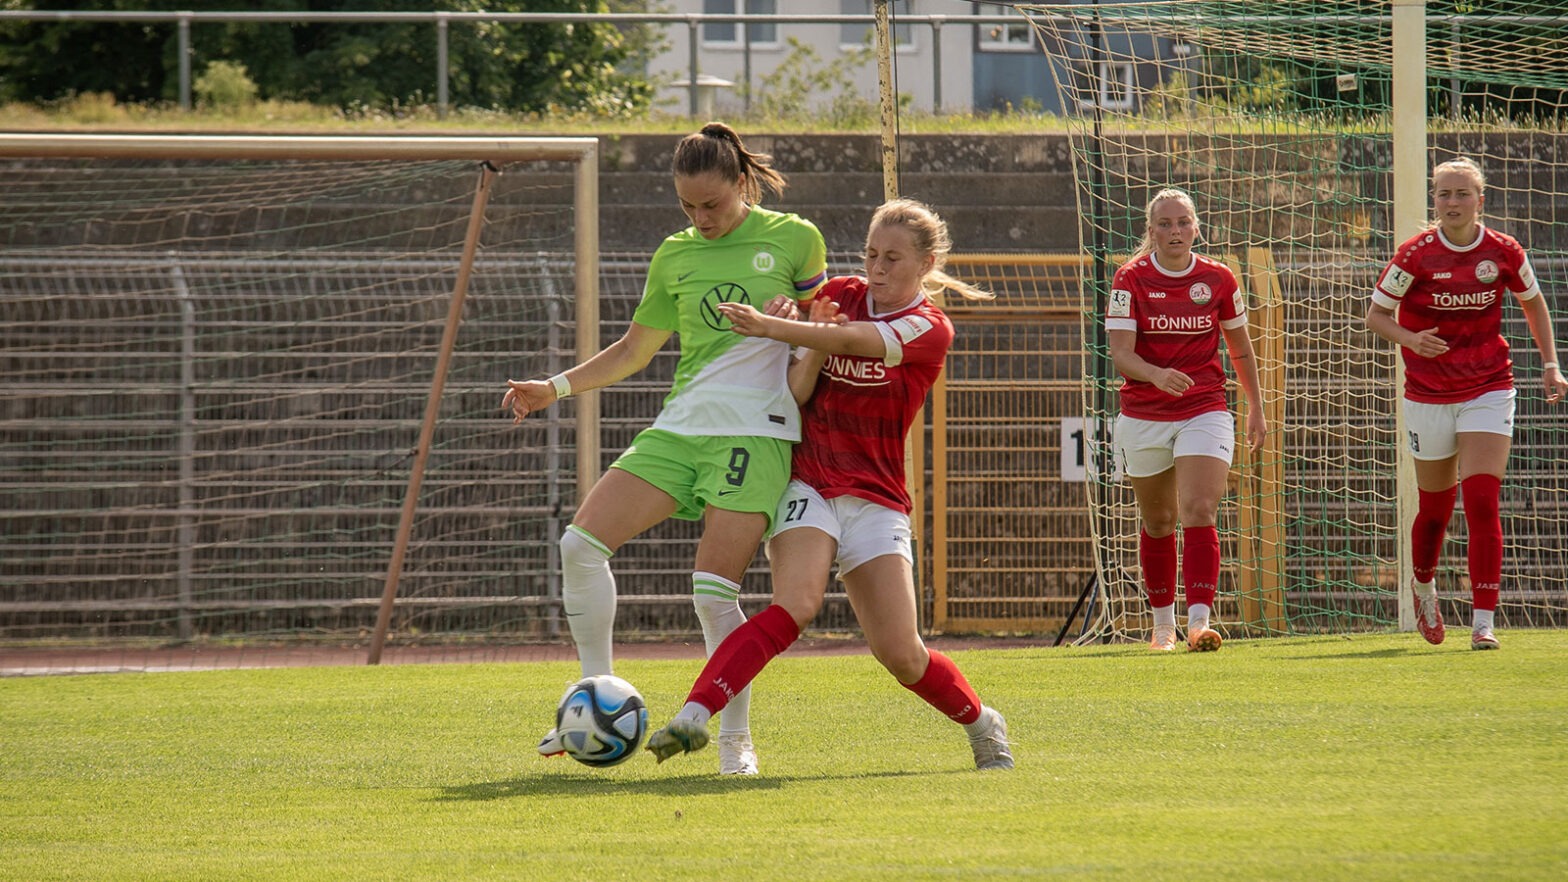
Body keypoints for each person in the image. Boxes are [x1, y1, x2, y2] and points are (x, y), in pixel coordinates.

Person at [643, 198, 1014, 771]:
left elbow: (849, 342)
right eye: (871, 254)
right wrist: (798, 324)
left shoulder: (930, 327)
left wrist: (777, 324)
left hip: (876, 496)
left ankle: (983, 722)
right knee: (797, 603)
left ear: (927, 262)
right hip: (809, 481)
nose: (878, 268)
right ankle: (696, 714)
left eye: (893, 258)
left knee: (901, 655)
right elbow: (794, 393)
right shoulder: (835, 296)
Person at [503, 122, 828, 774]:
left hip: (756, 432)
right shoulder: (674, 254)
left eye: (711, 204)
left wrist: (800, 328)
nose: (700, 218)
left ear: (742, 183)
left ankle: (735, 742)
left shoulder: (794, 238)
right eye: (687, 206)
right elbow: (633, 350)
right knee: (579, 545)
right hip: (681, 428)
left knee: (712, 592)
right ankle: (588, 704)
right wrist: (553, 388)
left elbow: (827, 331)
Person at [1365, 156, 1565, 651]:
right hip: (1429, 393)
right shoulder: (1415, 255)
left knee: (1480, 498)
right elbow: (1376, 316)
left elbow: (1533, 301)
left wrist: (1550, 363)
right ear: (1434, 200)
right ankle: (1425, 587)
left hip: (1489, 386)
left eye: (1461, 194)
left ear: (1481, 198)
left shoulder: (1502, 250)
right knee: (1434, 509)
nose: (1451, 203)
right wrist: (1411, 340)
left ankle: (1482, 622)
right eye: (1443, 194)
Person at [1107, 188, 1266, 653]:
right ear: (1151, 230)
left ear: (1196, 227)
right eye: (1165, 224)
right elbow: (1120, 354)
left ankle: (1199, 622)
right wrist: (1157, 375)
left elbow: (1239, 347)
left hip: (1205, 407)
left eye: (1183, 223)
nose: (1175, 231)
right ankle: (1162, 628)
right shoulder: (1128, 279)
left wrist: (1255, 405)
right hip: (1144, 412)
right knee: (1158, 519)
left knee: (1200, 508)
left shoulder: (1219, 279)